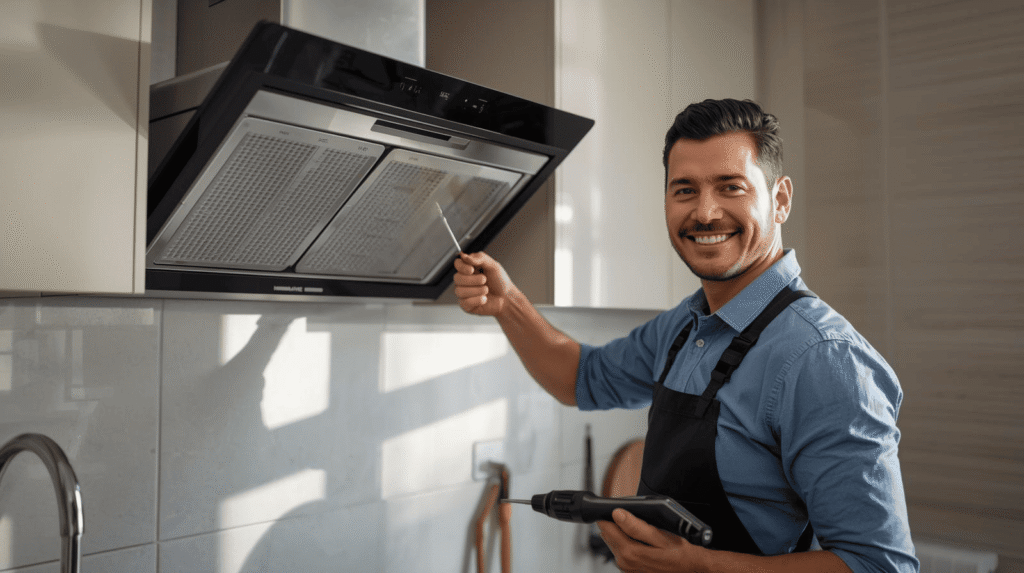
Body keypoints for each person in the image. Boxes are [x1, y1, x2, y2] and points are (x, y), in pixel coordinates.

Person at [453, 99, 918, 573]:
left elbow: (880, 565)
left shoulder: (822, 358)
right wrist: (507, 302)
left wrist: (702, 567)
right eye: (685, 190)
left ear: (780, 200)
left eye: (730, 187)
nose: (706, 212)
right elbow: (580, 378)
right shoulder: (684, 326)